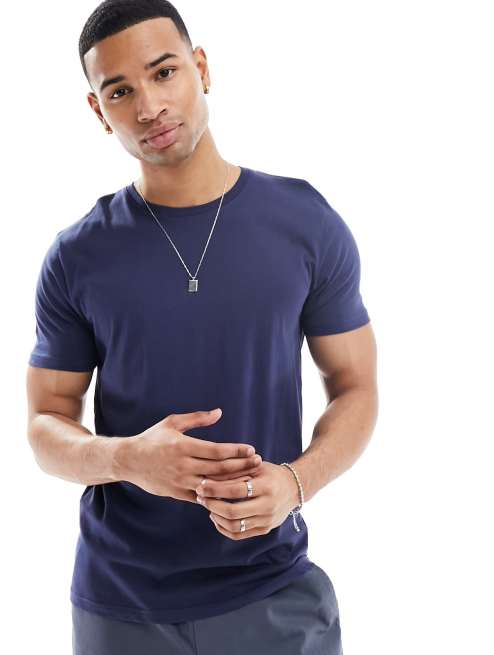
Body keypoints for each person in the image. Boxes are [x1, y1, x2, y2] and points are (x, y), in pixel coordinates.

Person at [26, 1, 378, 653]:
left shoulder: (304, 223)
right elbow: (45, 424)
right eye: (120, 91)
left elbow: (355, 386)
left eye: (164, 73)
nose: (149, 107)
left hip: (272, 592)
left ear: (202, 68)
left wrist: (296, 482)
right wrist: (126, 457)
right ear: (99, 111)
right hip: (121, 608)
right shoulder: (77, 256)